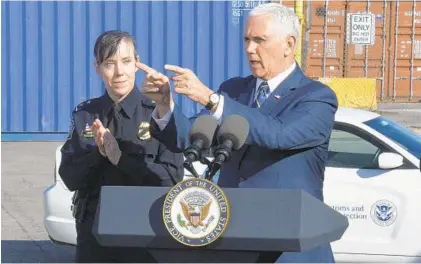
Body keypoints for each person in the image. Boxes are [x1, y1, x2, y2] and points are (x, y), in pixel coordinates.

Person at [140, 3, 338, 263]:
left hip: (289, 250)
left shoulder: (316, 97)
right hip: (234, 244)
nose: (249, 49)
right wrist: (165, 105)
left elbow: (278, 135)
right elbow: (193, 135)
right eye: (246, 39)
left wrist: (211, 99)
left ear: (289, 45)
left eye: (259, 40)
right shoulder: (233, 91)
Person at [59, 30, 184, 263]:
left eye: (126, 62)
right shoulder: (86, 114)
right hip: (94, 235)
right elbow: (69, 177)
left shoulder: (157, 112)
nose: (119, 72)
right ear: (97, 67)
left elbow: (172, 178)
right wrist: (99, 153)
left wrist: (120, 159)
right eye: (109, 63)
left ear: (137, 63)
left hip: (145, 231)